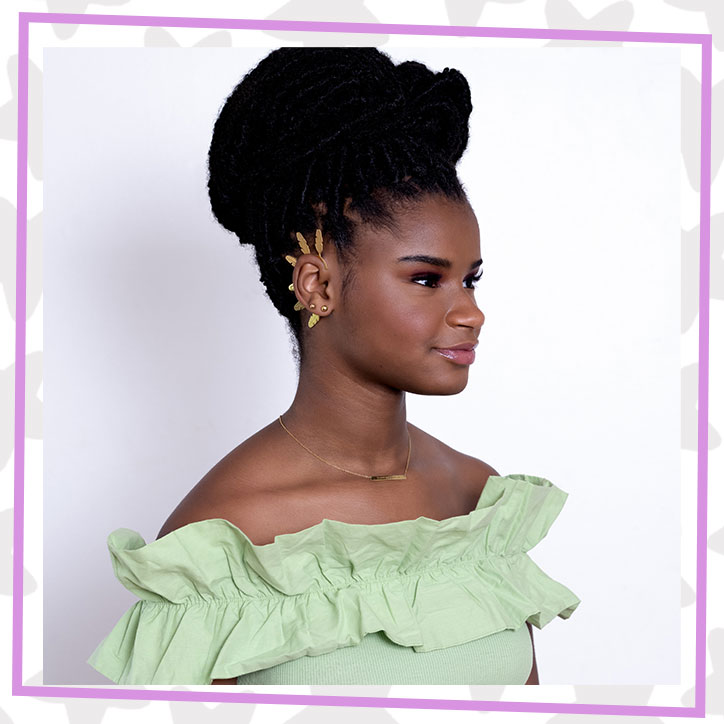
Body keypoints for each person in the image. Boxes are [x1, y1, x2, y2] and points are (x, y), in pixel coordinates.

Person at [87, 47, 579, 686]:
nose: (470, 314)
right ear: (317, 285)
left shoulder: (475, 503)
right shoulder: (226, 540)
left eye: (471, 280)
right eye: (428, 279)